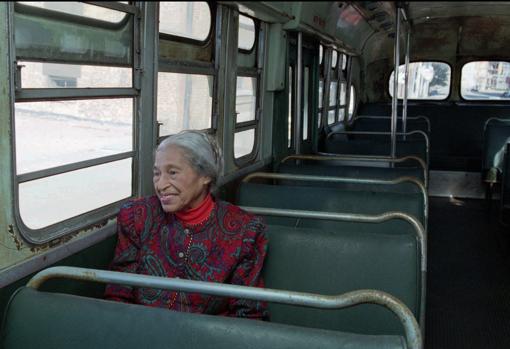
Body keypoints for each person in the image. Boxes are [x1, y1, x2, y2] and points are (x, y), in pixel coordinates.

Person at [104, 130, 268, 320]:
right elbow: (119, 290)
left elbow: (248, 311)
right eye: (157, 173)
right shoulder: (137, 216)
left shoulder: (245, 231)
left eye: (172, 173)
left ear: (205, 175)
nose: (161, 184)